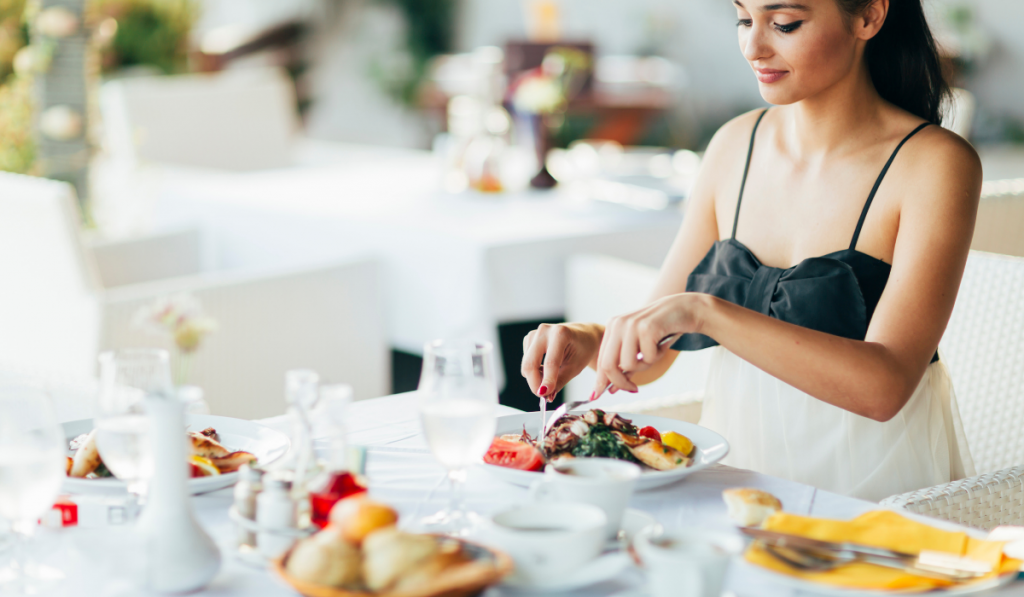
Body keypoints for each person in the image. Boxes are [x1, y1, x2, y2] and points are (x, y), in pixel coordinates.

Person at [521, 0, 980, 501]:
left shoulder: (934, 165)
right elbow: (652, 350)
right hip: (733, 476)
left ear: (869, 16)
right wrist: (588, 340)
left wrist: (708, 313)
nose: (753, 47)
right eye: (744, 20)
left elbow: (885, 388)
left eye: (784, 24)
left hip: (872, 492)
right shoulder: (732, 146)